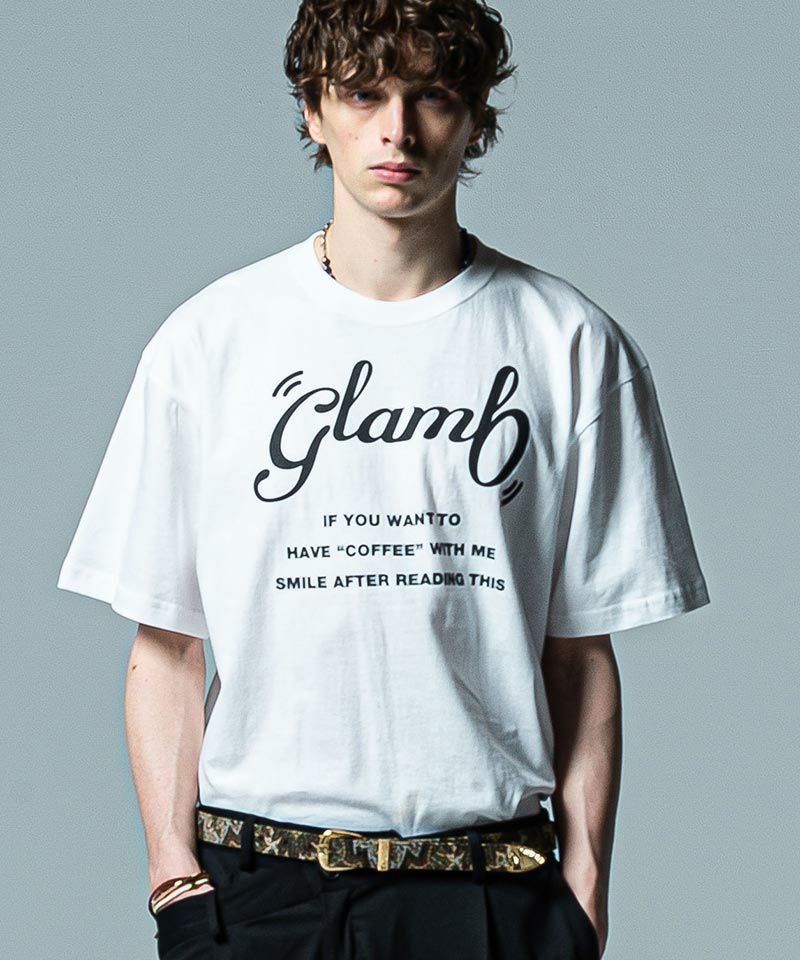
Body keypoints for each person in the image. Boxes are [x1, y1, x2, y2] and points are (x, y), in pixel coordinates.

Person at [56, 1, 711, 957]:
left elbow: (580, 651)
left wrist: (584, 897)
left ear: (475, 118)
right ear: (313, 111)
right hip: (259, 893)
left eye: (431, 96)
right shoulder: (209, 343)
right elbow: (166, 644)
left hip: (493, 890)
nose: (396, 130)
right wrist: (174, 882)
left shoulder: (570, 346)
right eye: (363, 94)